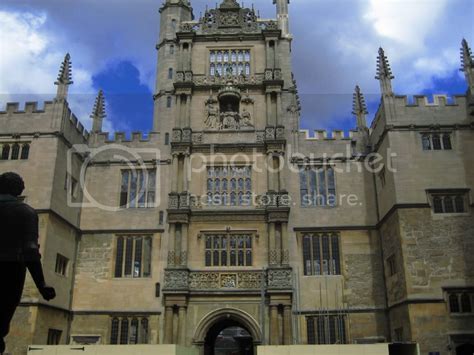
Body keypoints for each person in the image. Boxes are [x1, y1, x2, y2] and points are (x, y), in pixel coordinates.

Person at [0, 172, 56, 354]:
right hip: (9, 272)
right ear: (18, 190)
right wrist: (41, 285)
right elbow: (30, 251)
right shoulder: (25, 212)